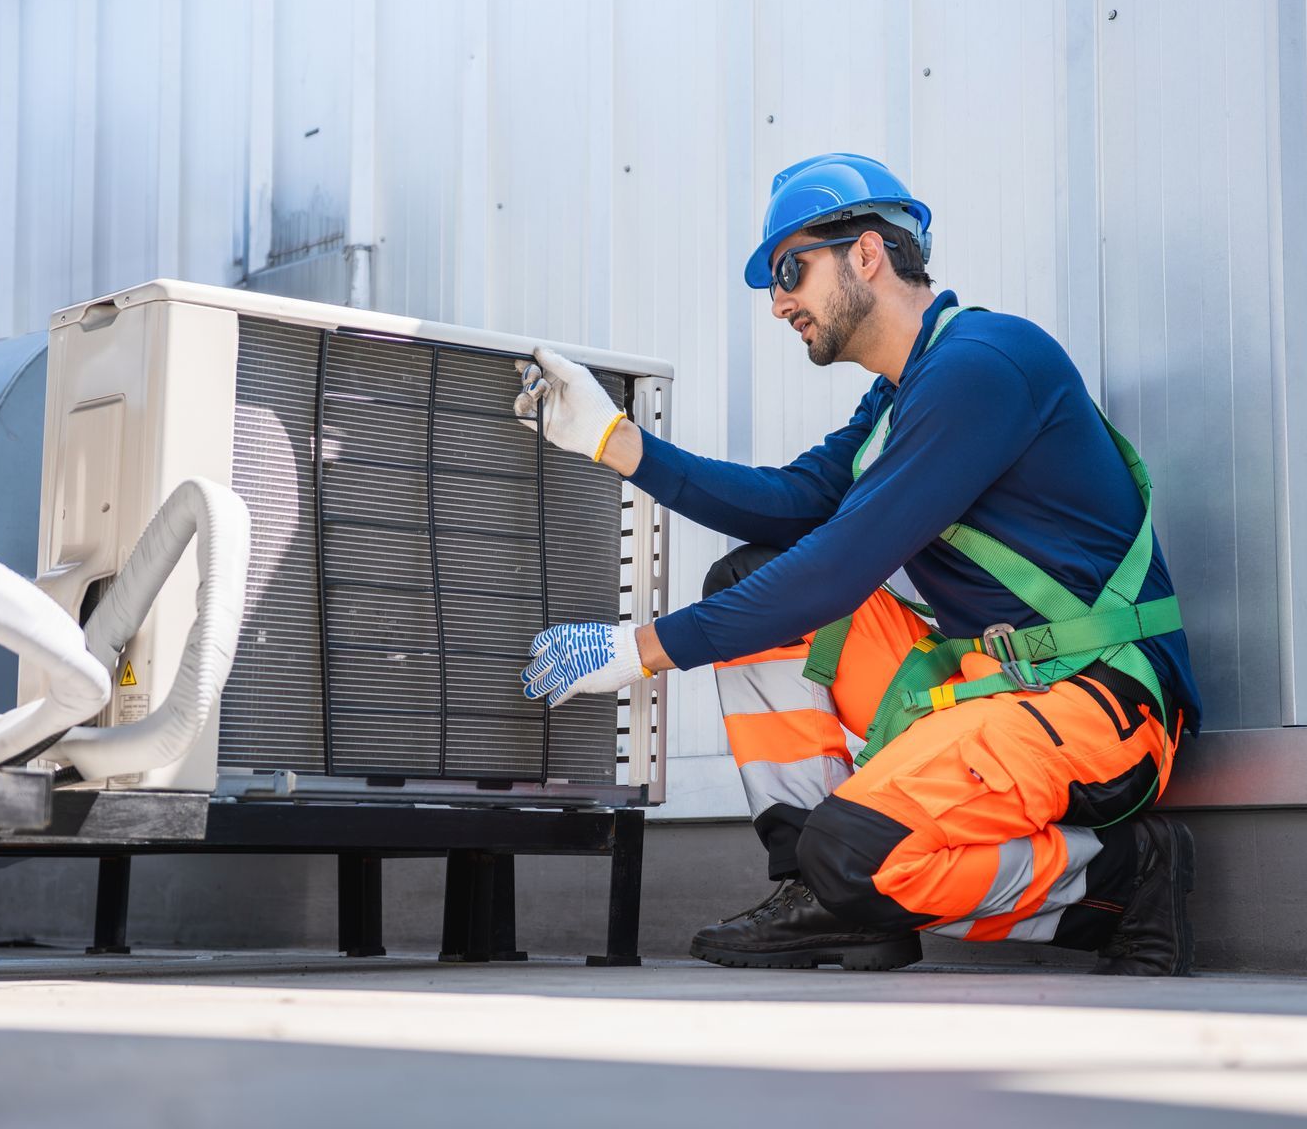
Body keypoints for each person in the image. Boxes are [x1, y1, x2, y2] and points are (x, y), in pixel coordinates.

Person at [515, 153, 1203, 974]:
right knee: (748, 586)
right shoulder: (900, 398)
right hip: (998, 685)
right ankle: (830, 906)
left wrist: (636, 652)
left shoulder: (985, 365)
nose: (778, 304)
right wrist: (614, 443)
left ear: (867, 253)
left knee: (857, 853)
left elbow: (836, 569)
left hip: (1102, 705)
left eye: (789, 270)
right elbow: (788, 503)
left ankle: (1122, 881)